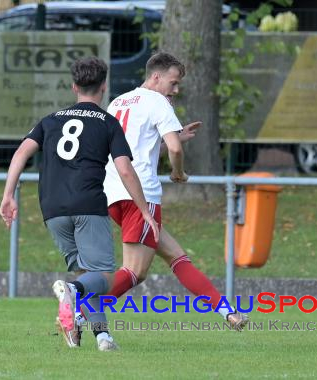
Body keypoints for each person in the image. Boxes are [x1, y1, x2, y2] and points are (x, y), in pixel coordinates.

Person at [0, 56, 159, 352]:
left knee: (87, 274)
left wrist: (8, 194)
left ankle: (102, 337)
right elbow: (125, 169)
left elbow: (21, 152)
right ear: (104, 86)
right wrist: (143, 209)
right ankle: (71, 292)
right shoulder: (108, 123)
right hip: (88, 205)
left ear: (74, 86)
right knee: (105, 278)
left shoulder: (50, 120)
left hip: (52, 208)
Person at [101, 52, 249, 332]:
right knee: (135, 271)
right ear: (156, 77)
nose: (176, 90)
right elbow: (175, 150)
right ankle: (81, 310)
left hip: (113, 193)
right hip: (141, 193)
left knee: (176, 256)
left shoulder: (119, 101)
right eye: (174, 82)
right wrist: (177, 172)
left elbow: (134, 144)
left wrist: (171, 135)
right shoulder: (158, 101)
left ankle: (229, 313)